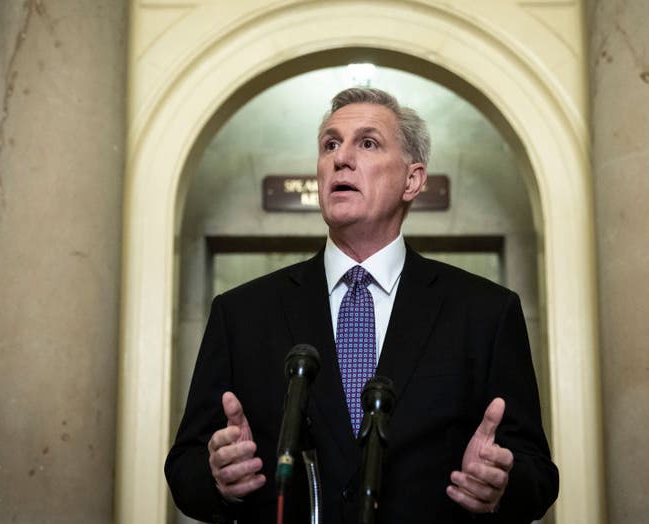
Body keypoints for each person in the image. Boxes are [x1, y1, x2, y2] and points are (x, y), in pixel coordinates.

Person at [165, 87, 558, 523]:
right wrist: (218, 477)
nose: (341, 159)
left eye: (367, 143)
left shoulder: (486, 313)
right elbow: (184, 471)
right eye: (330, 144)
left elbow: (538, 476)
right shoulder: (241, 314)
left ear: (413, 180)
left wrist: (500, 484)